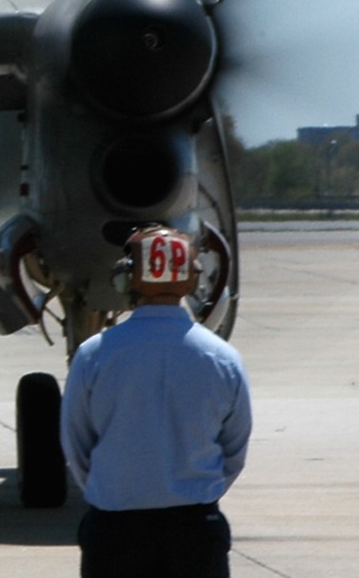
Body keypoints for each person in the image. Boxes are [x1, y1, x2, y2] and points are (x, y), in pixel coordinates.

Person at [61, 225, 253, 578]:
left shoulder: (94, 356)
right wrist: (191, 492)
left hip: (115, 530)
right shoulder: (224, 358)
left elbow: (76, 444)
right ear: (191, 280)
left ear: (127, 279)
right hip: (196, 528)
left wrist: (115, 492)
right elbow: (234, 451)